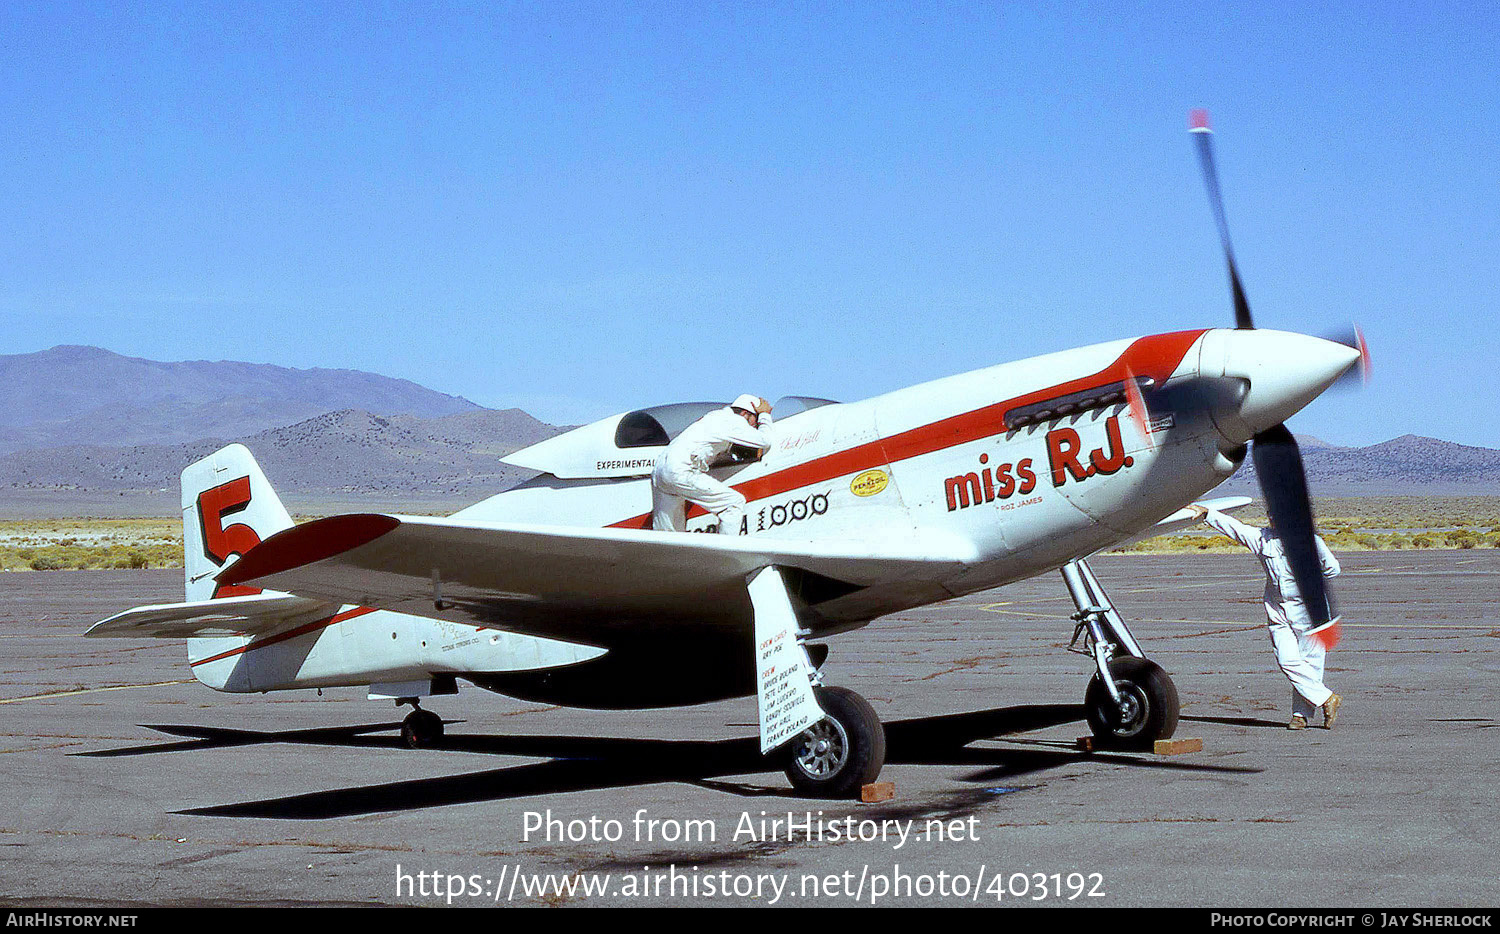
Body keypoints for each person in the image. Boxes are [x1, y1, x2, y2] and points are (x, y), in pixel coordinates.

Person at [1188, 503, 1344, 730]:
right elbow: (1236, 529)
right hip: (1278, 610)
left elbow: (1333, 568)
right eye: (1272, 515)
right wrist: (1208, 514)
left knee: (1311, 663)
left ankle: (1300, 715)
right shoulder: (1262, 539)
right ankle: (1327, 699)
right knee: (1287, 659)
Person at [651, 394, 773, 535]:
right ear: (745, 414)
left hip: (660, 470)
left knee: (669, 535)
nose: (755, 425)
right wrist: (764, 415)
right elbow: (765, 441)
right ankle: (726, 555)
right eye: (755, 420)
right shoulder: (734, 421)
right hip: (681, 470)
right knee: (733, 504)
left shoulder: (715, 416)